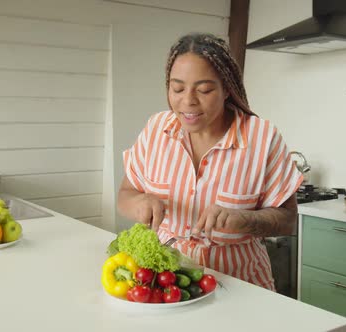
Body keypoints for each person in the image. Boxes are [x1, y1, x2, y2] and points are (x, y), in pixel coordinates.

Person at [117, 33, 303, 290]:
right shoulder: (156, 128)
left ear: (227, 88)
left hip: (242, 287)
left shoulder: (262, 137)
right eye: (177, 88)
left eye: (204, 90)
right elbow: (125, 194)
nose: (188, 101)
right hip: (168, 285)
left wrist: (243, 220)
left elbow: (288, 219)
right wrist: (140, 203)